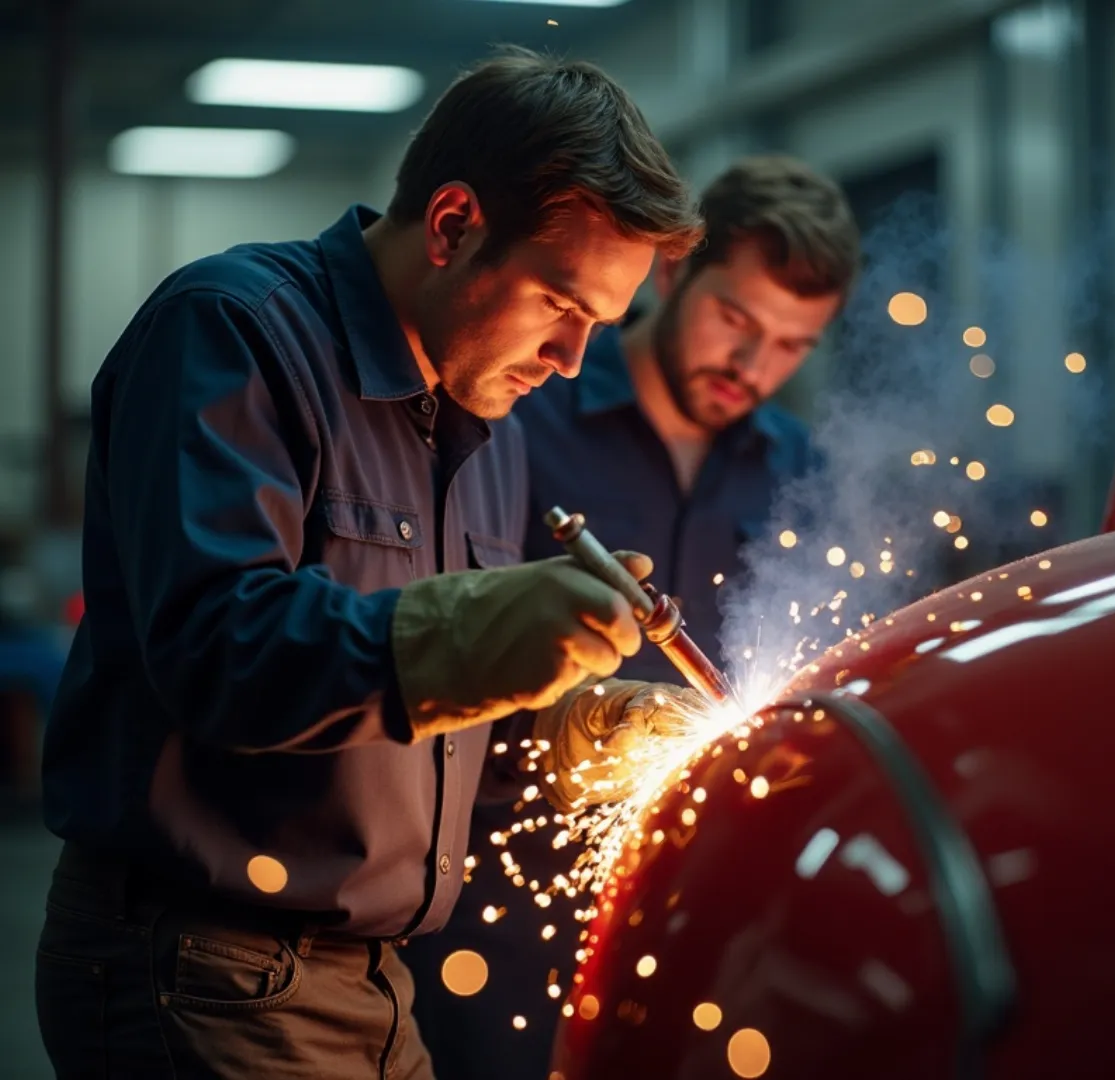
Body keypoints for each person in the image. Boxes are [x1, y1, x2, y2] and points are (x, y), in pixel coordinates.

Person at [34, 46, 706, 1080]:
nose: (573, 360)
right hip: (206, 970)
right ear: (451, 226)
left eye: (600, 328)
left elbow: (410, 712)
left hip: (377, 982)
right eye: (562, 306)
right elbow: (221, 646)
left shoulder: (489, 413)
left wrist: (564, 722)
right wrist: (469, 635)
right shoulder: (231, 333)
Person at [405, 154, 862, 1080]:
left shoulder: (795, 473)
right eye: (735, 320)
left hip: (700, 910)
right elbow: (416, 631)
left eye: (790, 346)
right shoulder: (521, 408)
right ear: (673, 271)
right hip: (500, 900)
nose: (751, 365)